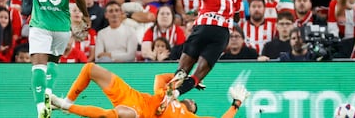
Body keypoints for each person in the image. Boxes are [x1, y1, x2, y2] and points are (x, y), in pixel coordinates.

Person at [137, 0, 241, 105]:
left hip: (203, 26)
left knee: (183, 69)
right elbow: (237, 17)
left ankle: (177, 80)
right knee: (198, 76)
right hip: (222, 32)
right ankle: (178, 93)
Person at [8, 0, 90, 118]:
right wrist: (85, 15)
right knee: (53, 62)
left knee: (38, 66)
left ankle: (41, 109)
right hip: (62, 27)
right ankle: (48, 96)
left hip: (40, 24)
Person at [50, 62, 250, 118]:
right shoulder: (167, 94)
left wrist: (236, 104)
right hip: (133, 97)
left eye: (194, 106)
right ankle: (66, 101)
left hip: (141, 115)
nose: (192, 103)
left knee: (120, 115)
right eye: (192, 101)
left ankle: (65, 108)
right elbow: (159, 78)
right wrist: (186, 80)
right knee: (91, 69)